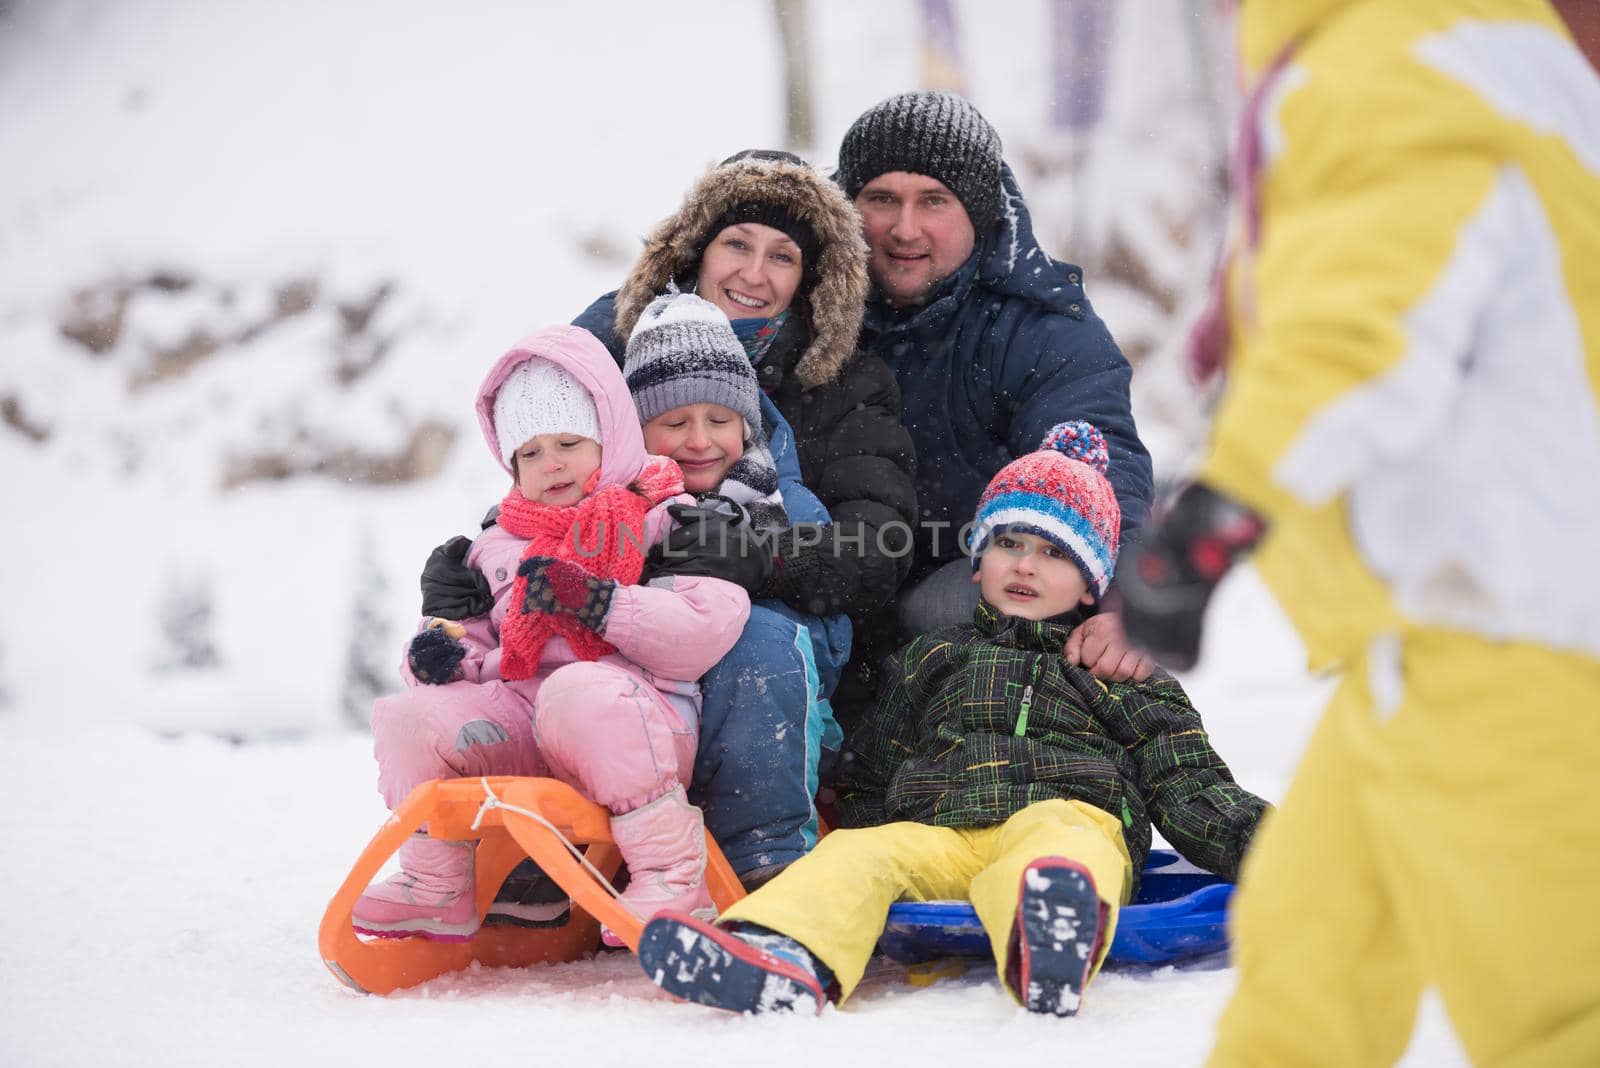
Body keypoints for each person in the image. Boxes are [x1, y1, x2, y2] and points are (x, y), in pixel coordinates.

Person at [1116, 2, 1600, 1064]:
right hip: (1438, 634)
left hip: (1505, 633)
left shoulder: (1396, 63)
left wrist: (1215, 514)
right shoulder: (1500, 55)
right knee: (1309, 968)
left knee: (1556, 1007)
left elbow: (1364, 326)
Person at [634, 422, 1268, 1016]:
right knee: (860, 851)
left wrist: (1277, 853)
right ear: (979, 561)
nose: (1024, 564)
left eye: (1053, 553)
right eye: (1009, 543)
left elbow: (1189, 783)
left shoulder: (1117, 672)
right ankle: (780, 952)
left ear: (1089, 584)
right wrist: (872, 816)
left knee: (1066, 843)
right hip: (941, 832)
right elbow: (873, 769)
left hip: (1066, 815)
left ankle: (1048, 934)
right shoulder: (934, 656)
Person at [423, 150, 914, 907]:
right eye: (736, 245)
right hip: (628, 634)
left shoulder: (844, 382)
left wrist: (762, 557)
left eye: (782, 256)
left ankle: (763, 853)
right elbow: (552, 469)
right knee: (538, 643)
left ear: (809, 278)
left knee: (750, 641)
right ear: (696, 252)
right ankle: (532, 840)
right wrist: (478, 565)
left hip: (773, 631)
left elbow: (876, 545)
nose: (755, 271)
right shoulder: (610, 351)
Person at [352, 324, 750, 943]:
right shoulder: (495, 546)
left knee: (579, 692)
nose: (551, 463)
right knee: (411, 715)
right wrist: (439, 654)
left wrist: (601, 604)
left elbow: (708, 624)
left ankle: (673, 876)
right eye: (529, 453)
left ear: (610, 437)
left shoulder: (665, 519)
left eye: (569, 441)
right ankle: (436, 885)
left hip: (636, 718)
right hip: (521, 719)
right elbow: (480, 643)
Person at [831, 90, 1158, 685]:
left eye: (933, 201)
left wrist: (1121, 606)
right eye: (882, 199)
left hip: (965, 572)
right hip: (826, 564)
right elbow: (665, 319)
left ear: (977, 213)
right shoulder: (799, 280)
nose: (905, 229)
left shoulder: (1039, 326)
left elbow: (1098, 454)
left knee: (954, 608)